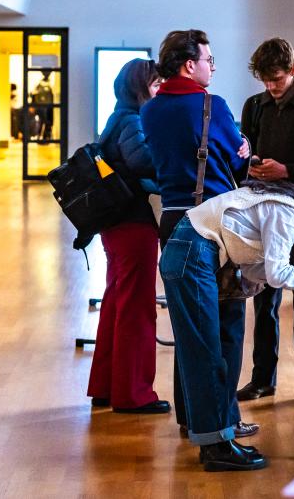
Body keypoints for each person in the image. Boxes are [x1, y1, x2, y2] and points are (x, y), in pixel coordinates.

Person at [160, 181, 294, 471]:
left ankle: (216, 440)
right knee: (206, 354)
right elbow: (277, 274)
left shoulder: (287, 210)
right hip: (193, 253)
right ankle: (217, 449)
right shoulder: (290, 214)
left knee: (205, 352)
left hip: (190, 250)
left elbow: (253, 267)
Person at [140, 30, 254, 437]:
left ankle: (191, 415)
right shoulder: (212, 106)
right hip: (212, 224)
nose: (213, 67)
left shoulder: (150, 110)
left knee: (190, 325)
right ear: (190, 65)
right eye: (209, 59)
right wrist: (245, 147)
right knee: (226, 324)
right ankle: (224, 420)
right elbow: (237, 164)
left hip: (172, 219)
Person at [237, 37, 294, 402]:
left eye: (276, 79)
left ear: (293, 70)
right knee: (264, 301)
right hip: (262, 208)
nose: (270, 86)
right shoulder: (254, 105)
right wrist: (252, 165)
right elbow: (243, 152)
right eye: (264, 80)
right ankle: (263, 378)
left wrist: (286, 170)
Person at [86, 59, 169, 414]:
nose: (160, 90)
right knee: (136, 308)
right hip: (133, 224)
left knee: (117, 302)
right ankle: (133, 394)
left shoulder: (115, 119)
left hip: (114, 224)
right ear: (140, 88)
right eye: (155, 84)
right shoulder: (133, 120)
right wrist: (173, 154)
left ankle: (106, 386)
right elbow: (142, 162)